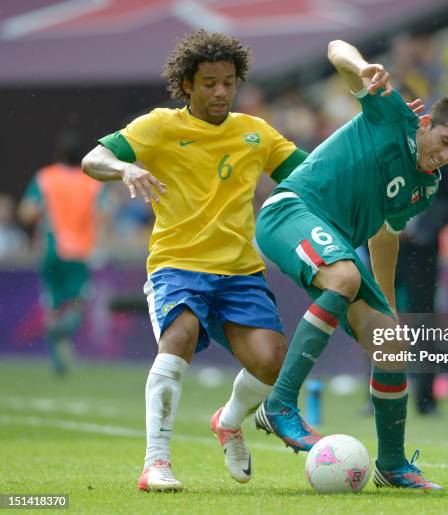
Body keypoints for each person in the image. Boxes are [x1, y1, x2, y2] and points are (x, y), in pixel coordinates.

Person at [81, 30, 311, 492]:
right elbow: (93, 159)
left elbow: (313, 172)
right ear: (187, 85)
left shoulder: (256, 133)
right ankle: (156, 462)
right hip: (177, 265)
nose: (221, 91)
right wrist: (125, 167)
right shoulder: (160, 126)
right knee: (179, 336)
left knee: (272, 362)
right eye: (209, 83)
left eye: (228, 82)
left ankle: (227, 422)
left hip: (241, 272)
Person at [254, 39, 448, 490]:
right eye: (445, 140)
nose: (447, 154)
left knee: (392, 341)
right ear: (426, 122)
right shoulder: (392, 112)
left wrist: (390, 303)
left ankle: (392, 466)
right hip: (291, 210)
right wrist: (363, 66)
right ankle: (279, 404)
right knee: (343, 274)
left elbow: (384, 234)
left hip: (334, 240)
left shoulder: (427, 186)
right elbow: (336, 49)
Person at [18, 130, 105, 377]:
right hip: (80, 251)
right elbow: (103, 214)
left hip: (52, 248)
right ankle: (66, 329)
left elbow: (26, 212)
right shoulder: (90, 182)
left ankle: (58, 359)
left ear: (58, 155)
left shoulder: (46, 178)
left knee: (53, 305)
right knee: (78, 303)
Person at [396, 158, 448, 416]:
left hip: (422, 250)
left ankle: (426, 398)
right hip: (383, 241)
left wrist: (422, 229)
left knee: (423, 321)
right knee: (377, 315)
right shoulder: (388, 135)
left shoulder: (444, 145)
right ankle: (376, 392)